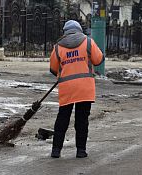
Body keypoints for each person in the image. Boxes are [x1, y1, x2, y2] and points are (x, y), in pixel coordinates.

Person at [49, 20, 104, 158]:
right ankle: (81, 151)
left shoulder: (57, 47)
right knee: (82, 120)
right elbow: (99, 60)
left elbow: (53, 69)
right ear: (79, 30)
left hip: (67, 89)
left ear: (65, 32)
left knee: (62, 118)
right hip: (85, 88)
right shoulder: (88, 42)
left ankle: (56, 150)